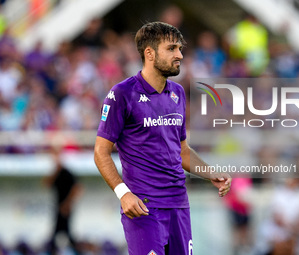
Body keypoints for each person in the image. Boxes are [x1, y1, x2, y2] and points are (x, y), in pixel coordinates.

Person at [94, 21, 232, 255]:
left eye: (179, 48)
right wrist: (123, 193)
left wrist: (211, 173)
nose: (179, 55)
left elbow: (182, 150)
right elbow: (100, 151)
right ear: (149, 53)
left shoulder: (177, 93)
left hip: (179, 204)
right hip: (143, 208)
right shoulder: (122, 94)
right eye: (171, 48)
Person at [44, 148, 82, 255]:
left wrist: (67, 204)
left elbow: (77, 188)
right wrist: (55, 170)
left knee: (67, 233)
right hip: (58, 207)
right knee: (59, 233)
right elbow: (46, 184)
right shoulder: (56, 173)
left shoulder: (66, 172)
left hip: (65, 208)